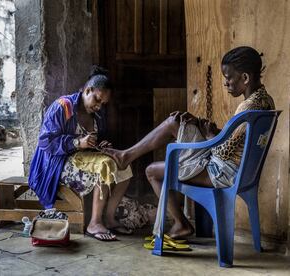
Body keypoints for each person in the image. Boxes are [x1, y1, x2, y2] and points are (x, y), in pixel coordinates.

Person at [102, 46, 275, 239]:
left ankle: (181, 224)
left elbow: (223, 151)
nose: (226, 83)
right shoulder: (265, 101)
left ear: (245, 78)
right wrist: (204, 127)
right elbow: (237, 138)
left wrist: (209, 135)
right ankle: (126, 155)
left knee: (152, 171)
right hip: (239, 169)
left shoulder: (248, 107)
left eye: (229, 78)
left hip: (222, 172)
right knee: (176, 122)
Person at [29, 66, 133, 241]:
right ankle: (94, 223)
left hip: (79, 159)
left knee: (125, 167)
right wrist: (77, 142)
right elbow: (45, 142)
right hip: (55, 163)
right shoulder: (63, 107)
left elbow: (89, 146)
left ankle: (109, 217)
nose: (99, 106)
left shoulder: (97, 115)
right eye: (97, 100)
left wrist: (99, 145)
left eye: (103, 104)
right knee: (105, 165)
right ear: (87, 90)